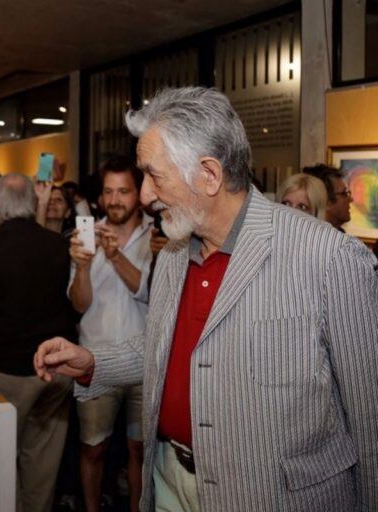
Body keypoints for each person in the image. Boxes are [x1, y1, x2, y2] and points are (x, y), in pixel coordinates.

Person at [34, 87, 378, 512]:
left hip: (272, 497)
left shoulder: (329, 257)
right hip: (168, 482)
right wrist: (94, 362)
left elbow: (370, 417)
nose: (144, 196)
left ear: (209, 175)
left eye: (154, 175)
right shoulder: (177, 251)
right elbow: (165, 347)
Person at [0, 173, 78, 512]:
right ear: (33, 203)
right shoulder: (57, 246)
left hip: (5, 373)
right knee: (42, 463)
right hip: (56, 371)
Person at [69, 154, 151, 512]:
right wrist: (83, 268)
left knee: (140, 449)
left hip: (145, 359)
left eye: (124, 191)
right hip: (96, 357)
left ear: (139, 194)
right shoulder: (86, 235)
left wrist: (116, 257)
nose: (115, 200)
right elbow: (78, 304)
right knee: (92, 447)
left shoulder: (160, 236)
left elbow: (152, 292)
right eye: (108, 192)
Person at [302, 163, 353, 231]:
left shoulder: (341, 237)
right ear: (325, 201)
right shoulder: (309, 237)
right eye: (344, 193)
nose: (351, 199)